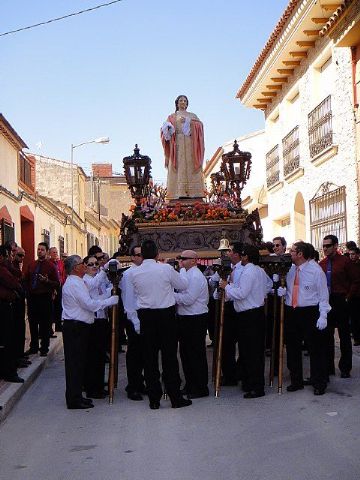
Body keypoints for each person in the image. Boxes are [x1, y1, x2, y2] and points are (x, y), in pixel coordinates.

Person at [127, 239, 191, 409]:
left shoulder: (134, 273)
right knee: (169, 358)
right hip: (166, 316)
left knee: (150, 358)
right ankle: (175, 397)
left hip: (146, 316)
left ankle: (154, 399)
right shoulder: (166, 269)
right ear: (157, 254)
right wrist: (181, 270)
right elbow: (183, 285)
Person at [62, 255, 119, 409]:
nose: (85, 266)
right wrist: (109, 301)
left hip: (80, 326)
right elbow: (89, 304)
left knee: (80, 363)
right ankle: (74, 399)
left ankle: (77, 396)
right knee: (75, 364)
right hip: (75, 327)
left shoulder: (78, 282)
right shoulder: (74, 284)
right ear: (76, 268)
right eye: (82, 264)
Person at [220, 244, 272, 398]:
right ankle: (250, 383)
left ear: (246, 257)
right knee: (249, 352)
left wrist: (226, 287)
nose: (239, 258)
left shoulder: (249, 271)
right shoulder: (259, 271)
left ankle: (257, 387)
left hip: (250, 315)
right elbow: (267, 285)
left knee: (252, 353)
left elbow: (242, 293)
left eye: (241, 255)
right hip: (252, 314)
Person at [279, 242, 330, 395]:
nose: (290, 253)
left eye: (292, 251)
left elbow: (323, 295)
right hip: (292, 310)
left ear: (300, 253)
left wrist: (323, 315)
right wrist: (282, 290)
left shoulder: (316, 271)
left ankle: (319, 381)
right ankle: (296, 380)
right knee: (293, 347)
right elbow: (290, 287)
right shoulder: (291, 269)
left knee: (315, 348)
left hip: (309, 311)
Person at [319, 235, 359, 378]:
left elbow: (355, 280)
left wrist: (348, 297)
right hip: (327, 301)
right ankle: (329, 367)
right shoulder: (322, 264)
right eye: (323, 246)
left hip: (341, 299)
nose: (325, 249)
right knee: (327, 335)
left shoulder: (345, 262)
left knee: (344, 335)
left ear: (336, 246)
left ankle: (345, 368)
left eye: (328, 246)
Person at [175, 250, 209, 399]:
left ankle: (200, 387)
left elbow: (189, 299)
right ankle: (190, 384)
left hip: (195, 317)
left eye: (184, 259)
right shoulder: (186, 272)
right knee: (186, 354)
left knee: (196, 354)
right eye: (180, 258)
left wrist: (171, 296)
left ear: (194, 260)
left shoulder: (196, 276)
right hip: (185, 317)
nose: (181, 261)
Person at [161, 95, 205, 200]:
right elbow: (164, 131)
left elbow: (200, 126)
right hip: (177, 144)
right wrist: (167, 128)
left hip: (191, 143)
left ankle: (194, 192)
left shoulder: (192, 115)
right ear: (177, 103)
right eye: (181, 100)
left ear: (187, 103)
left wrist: (189, 122)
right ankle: (177, 192)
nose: (183, 102)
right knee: (179, 165)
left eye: (185, 100)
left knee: (191, 164)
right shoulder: (171, 116)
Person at [82, 255, 113, 399]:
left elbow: (104, 291)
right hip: (93, 321)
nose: (94, 266)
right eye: (91, 264)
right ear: (85, 266)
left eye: (96, 264)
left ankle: (99, 385)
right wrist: (102, 271)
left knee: (101, 356)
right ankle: (92, 388)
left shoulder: (98, 278)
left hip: (102, 319)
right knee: (93, 356)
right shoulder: (86, 280)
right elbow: (95, 293)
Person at [120, 245, 146, 401]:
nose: (142, 257)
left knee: (144, 353)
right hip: (133, 317)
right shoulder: (129, 274)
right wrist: (135, 322)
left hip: (144, 316)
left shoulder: (145, 272)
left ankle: (140, 382)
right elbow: (129, 300)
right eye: (139, 254)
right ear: (133, 258)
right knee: (134, 354)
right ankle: (133, 386)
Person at [24, 242, 60, 356]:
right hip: (32, 297)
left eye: (42, 250)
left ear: (47, 252)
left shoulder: (51, 266)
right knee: (33, 322)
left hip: (45, 297)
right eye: (38, 249)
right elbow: (26, 279)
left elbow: (57, 283)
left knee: (45, 323)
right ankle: (33, 346)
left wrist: (46, 281)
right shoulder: (31, 265)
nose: (40, 251)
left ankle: (44, 347)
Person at [0, 245, 24, 383]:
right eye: (9, 254)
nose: (11, 257)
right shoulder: (2, 269)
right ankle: (9, 372)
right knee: (7, 340)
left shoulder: (6, 267)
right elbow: (14, 281)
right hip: (3, 307)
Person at [48, 247, 66, 333]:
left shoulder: (60, 263)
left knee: (59, 307)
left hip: (60, 286)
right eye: (53, 252)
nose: (55, 254)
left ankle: (58, 326)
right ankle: (50, 328)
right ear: (49, 254)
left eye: (56, 252)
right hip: (52, 287)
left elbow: (63, 274)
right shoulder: (48, 263)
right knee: (51, 308)